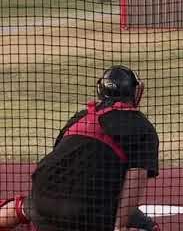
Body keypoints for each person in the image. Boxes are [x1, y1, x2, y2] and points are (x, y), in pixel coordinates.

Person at [0, 65, 160, 231]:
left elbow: (59, 158)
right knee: (148, 228)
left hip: (42, 202)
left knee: (23, 207)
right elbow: (136, 179)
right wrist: (120, 227)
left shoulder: (81, 116)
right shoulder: (142, 127)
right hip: (86, 213)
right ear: (134, 92)